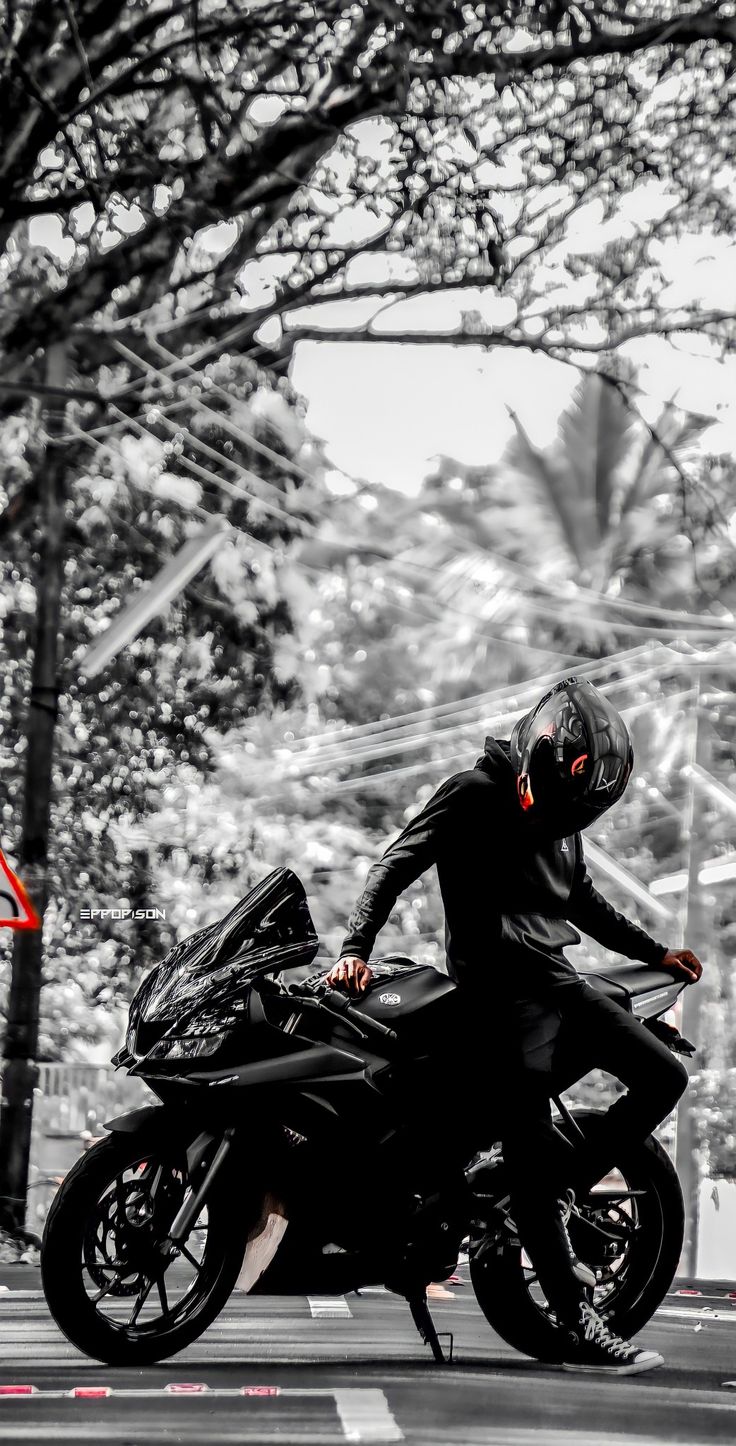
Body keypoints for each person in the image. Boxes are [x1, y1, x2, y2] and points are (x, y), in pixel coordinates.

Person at [325, 677, 703, 1374]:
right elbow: (395, 865)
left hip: (559, 985)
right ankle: (578, 1323)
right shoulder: (472, 793)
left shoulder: (565, 823)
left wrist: (654, 952)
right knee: (529, 1154)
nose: (564, 822)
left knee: (663, 1075)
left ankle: (563, 1182)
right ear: (545, 756)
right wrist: (354, 950)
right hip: (496, 1002)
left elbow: (581, 901)